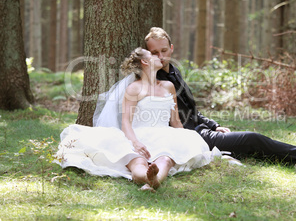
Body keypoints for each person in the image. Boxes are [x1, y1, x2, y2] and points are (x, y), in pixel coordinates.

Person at [144, 27, 296, 168]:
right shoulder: (155, 80)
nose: (160, 57)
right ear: (148, 54)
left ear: (171, 48)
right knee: (252, 138)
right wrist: (205, 133)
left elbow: (191, 110)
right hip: (191, 138)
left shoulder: (175, 72)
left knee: (250, 145)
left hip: (202, 130)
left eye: (164, 50)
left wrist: (213, 125)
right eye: (154, 53)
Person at [55, 47, 220, 192]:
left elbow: (175, 121)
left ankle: (155, 178)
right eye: (153, 55)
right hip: (138, 135)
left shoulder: (168, 86)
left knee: (165, 159)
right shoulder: (134, 88)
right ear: (145, 62)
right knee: (137, 161)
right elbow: (126, 122)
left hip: (164, 134)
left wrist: (184, 140)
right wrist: (135, 142)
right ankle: (145, 176)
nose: (159, 57)